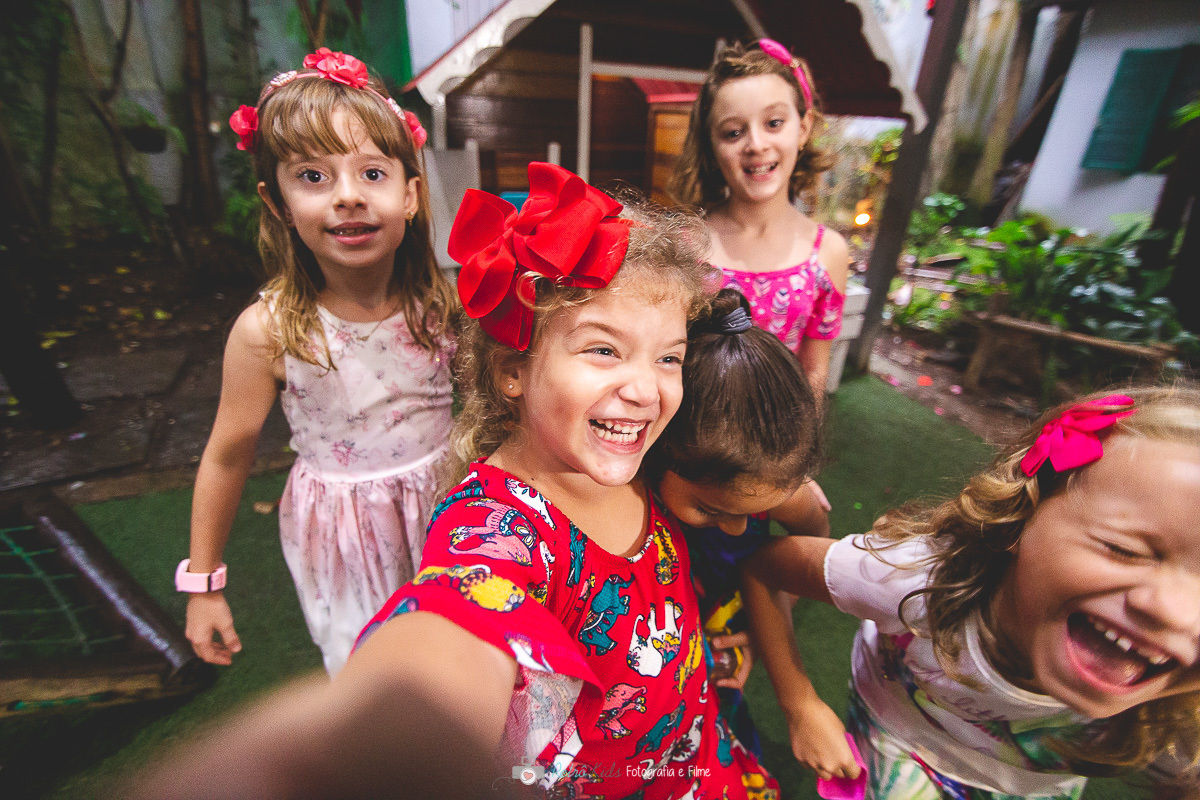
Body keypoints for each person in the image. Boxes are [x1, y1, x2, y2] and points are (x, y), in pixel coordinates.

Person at [130, 163, 777, 800]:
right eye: (603, 349)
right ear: (512, 371)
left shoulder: (648, 462)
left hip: (701, 760)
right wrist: (394, 726)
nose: (644, 389)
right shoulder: (499, 525)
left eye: (668, 357)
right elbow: (459, 615)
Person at [748, 386, 1200, 798]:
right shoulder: (913, 580)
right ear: (1023, 513)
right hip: (900, 735)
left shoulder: (1181, 701)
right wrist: (800, 703)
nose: (1175, 613)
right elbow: (763, 566)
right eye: (1124, 549)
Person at [180, 48, 457, 675]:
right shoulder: (268, 331)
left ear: (411, 194)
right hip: (344, 540)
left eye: (372, 174)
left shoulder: (442, 307)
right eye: (313, 176)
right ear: (275, 201)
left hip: (449, 516)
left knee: (461, 664)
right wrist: (203, 583)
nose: (348, 198)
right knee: (373, 680)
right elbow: (226, 454)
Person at [645, 288, 860, 783]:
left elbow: (791, 557)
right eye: (711, 508)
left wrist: (760, 642)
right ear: (657, 447)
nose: (741, 528)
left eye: (758, 510)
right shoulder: (632, 495)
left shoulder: (788, 495)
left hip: (724, 621)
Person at [669, 38, 850, 402]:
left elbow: (814, 371)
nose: (755, 144)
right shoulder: (686, 243)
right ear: (711, 147)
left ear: (802, 127)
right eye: (733, 132)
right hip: (687, 440)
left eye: (773, 122)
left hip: (777, 444)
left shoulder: (828, 252)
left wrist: (800, 453)